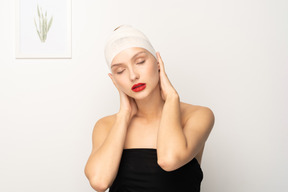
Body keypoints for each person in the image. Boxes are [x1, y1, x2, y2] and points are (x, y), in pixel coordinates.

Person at [84, 25, 215, 192]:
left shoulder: (197, 115)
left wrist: (172, 98)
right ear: (114, 80)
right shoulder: (106, 125)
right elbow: (99, 182)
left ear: (158, 62)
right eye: (120, 71)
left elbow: (169, 159)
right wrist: (124, 115)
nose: (133, 75)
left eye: (140, 62)